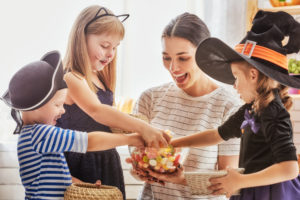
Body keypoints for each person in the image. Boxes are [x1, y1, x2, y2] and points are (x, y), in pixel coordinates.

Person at [153, 10, 300, 200]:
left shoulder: (274, 113)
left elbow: (290, 169)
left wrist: (240, 181)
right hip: (250, 189)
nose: (234, 84)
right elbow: (217, 134)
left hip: (271, 193)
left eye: (236, 77)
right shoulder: (252, 108)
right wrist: (175, 144)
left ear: (253, 75)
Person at [55, 5, 169, 199]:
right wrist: (143, 128)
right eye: (105, 46)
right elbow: (97, 111)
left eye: (115, 47)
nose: (110, 54)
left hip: (107, 162)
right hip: (80, 164)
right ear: (81, 38)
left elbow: (107, 120)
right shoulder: (71, 77)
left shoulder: (100, 79)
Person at [0, 51, 144, 200]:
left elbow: (54, 176)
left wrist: (82, 185)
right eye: (57, 104)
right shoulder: (41, 133)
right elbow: (89, 141)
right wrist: (131, 139)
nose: (62, 110)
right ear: (36, 106)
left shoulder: (31, 134)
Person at [129, 12, 241, 200]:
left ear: (205, 55)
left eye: (183, 58)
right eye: (166, 58)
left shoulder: (228, 106)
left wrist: (182, 179)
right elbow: (137, 161)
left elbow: (228, 186)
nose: (173, 68)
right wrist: (140, 170)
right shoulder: (149, 99)